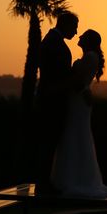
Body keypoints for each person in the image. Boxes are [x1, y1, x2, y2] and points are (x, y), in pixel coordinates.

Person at [50, 29, 107, 199]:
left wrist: (61, 87)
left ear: (89, 40)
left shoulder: (90, 56)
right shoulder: (89, 56)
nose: (79, 36)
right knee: (74, 135)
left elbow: (79, 82)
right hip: (78, 99)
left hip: (79, 101)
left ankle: (76, 179)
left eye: (83, 35)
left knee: (75, 134)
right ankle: (73, 177)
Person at [34, 11, 79, 195]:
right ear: (66, 25)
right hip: (52, 102)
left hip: (50, 99)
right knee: (48, 143)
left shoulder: (51, 40)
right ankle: (43, 185)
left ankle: (45, 182)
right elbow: (56, 75)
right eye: (74, 27)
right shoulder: (55, 44)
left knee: (48, 143)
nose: (76, 32)